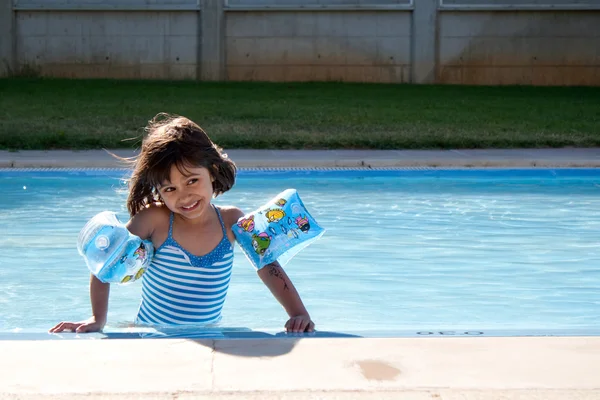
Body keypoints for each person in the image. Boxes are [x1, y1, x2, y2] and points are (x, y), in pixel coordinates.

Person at [49, 113, 315, 334]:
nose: (184, 196)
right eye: (170, 189)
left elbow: (268, 266)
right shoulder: (156, 219)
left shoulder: (232, 220)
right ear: (158, 190)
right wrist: (98, 319)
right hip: (152, 333)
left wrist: (298, 313)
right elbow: (103, 262)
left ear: (211, 171)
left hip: (209, 333)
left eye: (191, 181)